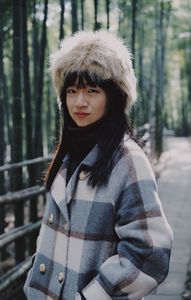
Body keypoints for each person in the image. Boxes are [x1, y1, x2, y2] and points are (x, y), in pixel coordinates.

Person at [24, 30, 173, 300]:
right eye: (72, 91)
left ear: (113, 96)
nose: (80, 102)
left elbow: (150, 252)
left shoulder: (127, 159)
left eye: (92, 91)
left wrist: (91, 296)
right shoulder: (69, 155)